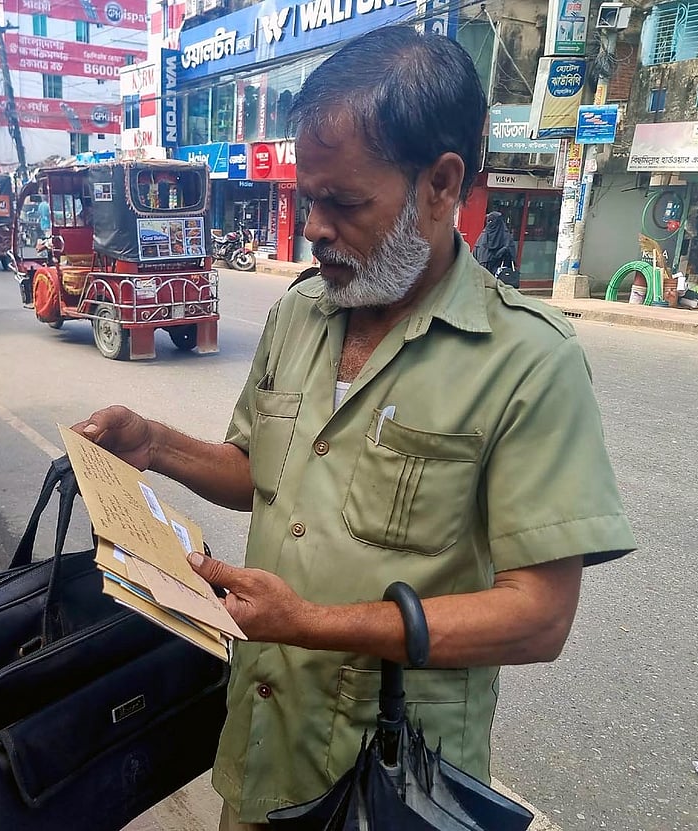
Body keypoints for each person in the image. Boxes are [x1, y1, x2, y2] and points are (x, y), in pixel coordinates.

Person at [72, 26, 636, 831]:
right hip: (264, 748)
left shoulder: (528, 363)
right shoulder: (301, 312)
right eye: (309, 200)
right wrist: (153, 444)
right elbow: (259, 469)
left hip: (387, 785)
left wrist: (312, 624)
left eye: (344, 204)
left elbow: (538, 615)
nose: (314, 228)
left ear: (441, 185)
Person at [473, 210, 515, 276]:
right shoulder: (486, 234)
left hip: (496, 268)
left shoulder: (485, 234)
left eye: (492, 221)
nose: (490, 223)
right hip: (486, 268)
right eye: (489, 221)